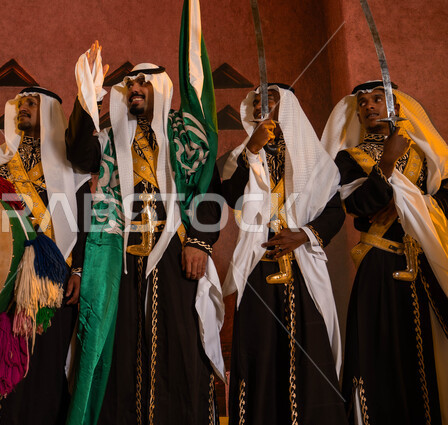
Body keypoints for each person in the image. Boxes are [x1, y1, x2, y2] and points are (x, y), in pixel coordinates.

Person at [65, 23, 225, 424]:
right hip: (118, 251)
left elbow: (210, 192)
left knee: (179, 343)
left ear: (162, 89)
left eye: (143, 83)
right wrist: (86, 98)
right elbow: (80, 158)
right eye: (130, 84)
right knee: (120, 345)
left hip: (175, 249)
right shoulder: (108, 136)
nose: (134, 88)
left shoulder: (184, 132)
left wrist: (200, 244)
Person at [0, 86, 89, 424]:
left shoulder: (72, 167)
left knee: (43, 373)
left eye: (33, 103)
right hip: (0, 282)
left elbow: (84, 221)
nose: (24, 107)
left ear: (51, 112)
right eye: (21, 102)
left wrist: (79, 271)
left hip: (53, 284)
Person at [322, 81, 448, 425]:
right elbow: (359, 206)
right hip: (379, 263)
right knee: (380, 353)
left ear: (395, 105)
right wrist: (388, 162)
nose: (369, 106)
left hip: (428, 261)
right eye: (362, 103)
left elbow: (445, 195)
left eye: (378, 99)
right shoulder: (348, 158)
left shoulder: (425, 152)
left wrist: (416, 205)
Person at [219, 84, 346, 425]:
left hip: (303, 267)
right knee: (259, 351)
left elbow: (333, 212)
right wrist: (251, 150)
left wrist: (302, 236)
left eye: (270, 103)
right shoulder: (242, 156)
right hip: (259, 266)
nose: (262, 109)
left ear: (287, 109)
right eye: (256, 104)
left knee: (312, 350)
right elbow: (229, 195)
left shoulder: (313, 158)